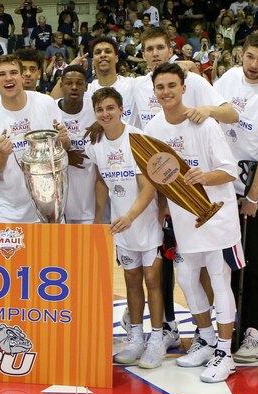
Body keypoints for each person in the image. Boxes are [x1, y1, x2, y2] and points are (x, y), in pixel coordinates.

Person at [145, 63, 242, 383]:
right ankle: (207, 339)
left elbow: (228, 170)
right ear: (154, 91)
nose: (166, 92)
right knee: (187, 279)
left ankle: (226, 353)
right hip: (185, 220)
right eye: (160, 87)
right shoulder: (155, 128)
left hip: (217, 215)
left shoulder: (203, 122)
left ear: (183, 88)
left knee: (219, 279)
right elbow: (157, 176)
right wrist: (160, 206)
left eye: (172, 86)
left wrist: (204, 176)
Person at [84, 87, 164, 369]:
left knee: (153, 281)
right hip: (122, 227)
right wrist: (97, 217)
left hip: (146, 222)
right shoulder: (95, 143)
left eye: (110, 108)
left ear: (121, 109)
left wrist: (130, 215)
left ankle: (157, 339)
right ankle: (136, 338)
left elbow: (149, 187)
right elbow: (102, 181)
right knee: (131, 282)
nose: (105, 114)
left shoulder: (138, 140)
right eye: (100, 110)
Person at [213, 34, 258, 363]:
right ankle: (228, 327)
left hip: (257, 190)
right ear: (241, 55)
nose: (254, 65)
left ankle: (253, 331)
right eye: (250, 56)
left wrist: (252, 196)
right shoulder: (229, 78)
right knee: (229, 264)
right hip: (225, 186)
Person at [0, 54, 69, 223]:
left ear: (22, 77)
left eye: (13, 72)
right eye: (2, 74)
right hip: (9, 213)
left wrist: (64, 139)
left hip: (51, 206)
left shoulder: (46, 103)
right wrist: (3, 153)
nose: (8, 78)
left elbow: (65, 148)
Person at [56, 65, 97, 224]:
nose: (74, 87)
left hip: (90, 199)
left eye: (79, 83)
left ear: (86, 87)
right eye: (69, 83)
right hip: (60, 201)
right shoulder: (50, 108)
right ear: (61, 85)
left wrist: (101, 124)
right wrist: (65, 157)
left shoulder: (96, 109)